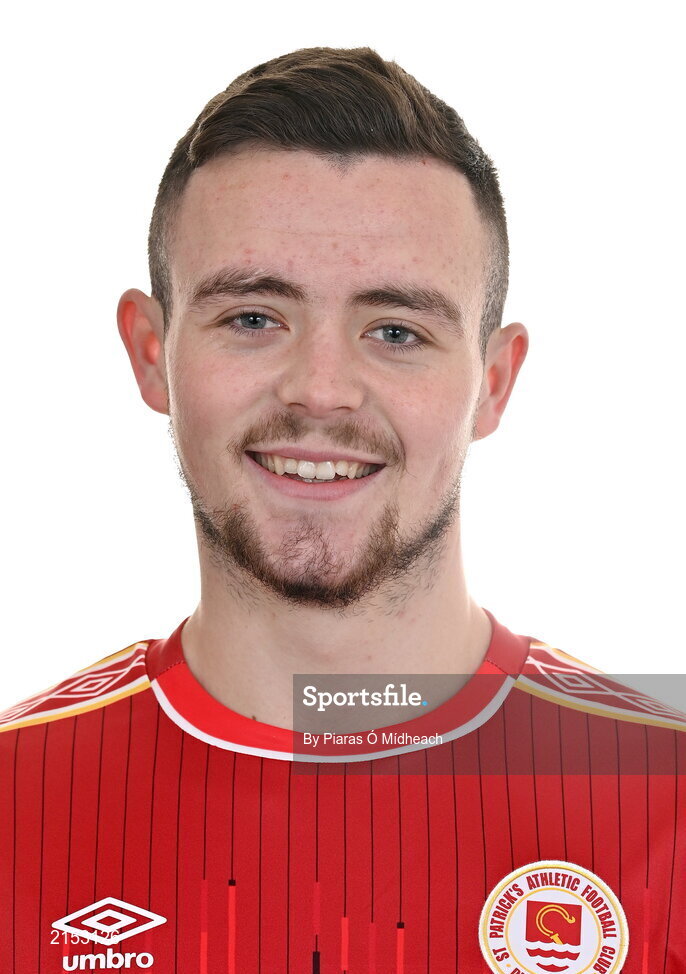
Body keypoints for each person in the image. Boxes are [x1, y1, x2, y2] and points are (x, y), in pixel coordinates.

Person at [0, 46, 683, 974]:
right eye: (253, 317)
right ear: (151, 352)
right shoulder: (13, 801)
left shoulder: (666, 800)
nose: (321, 391)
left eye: (395, 331)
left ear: (493, 381)